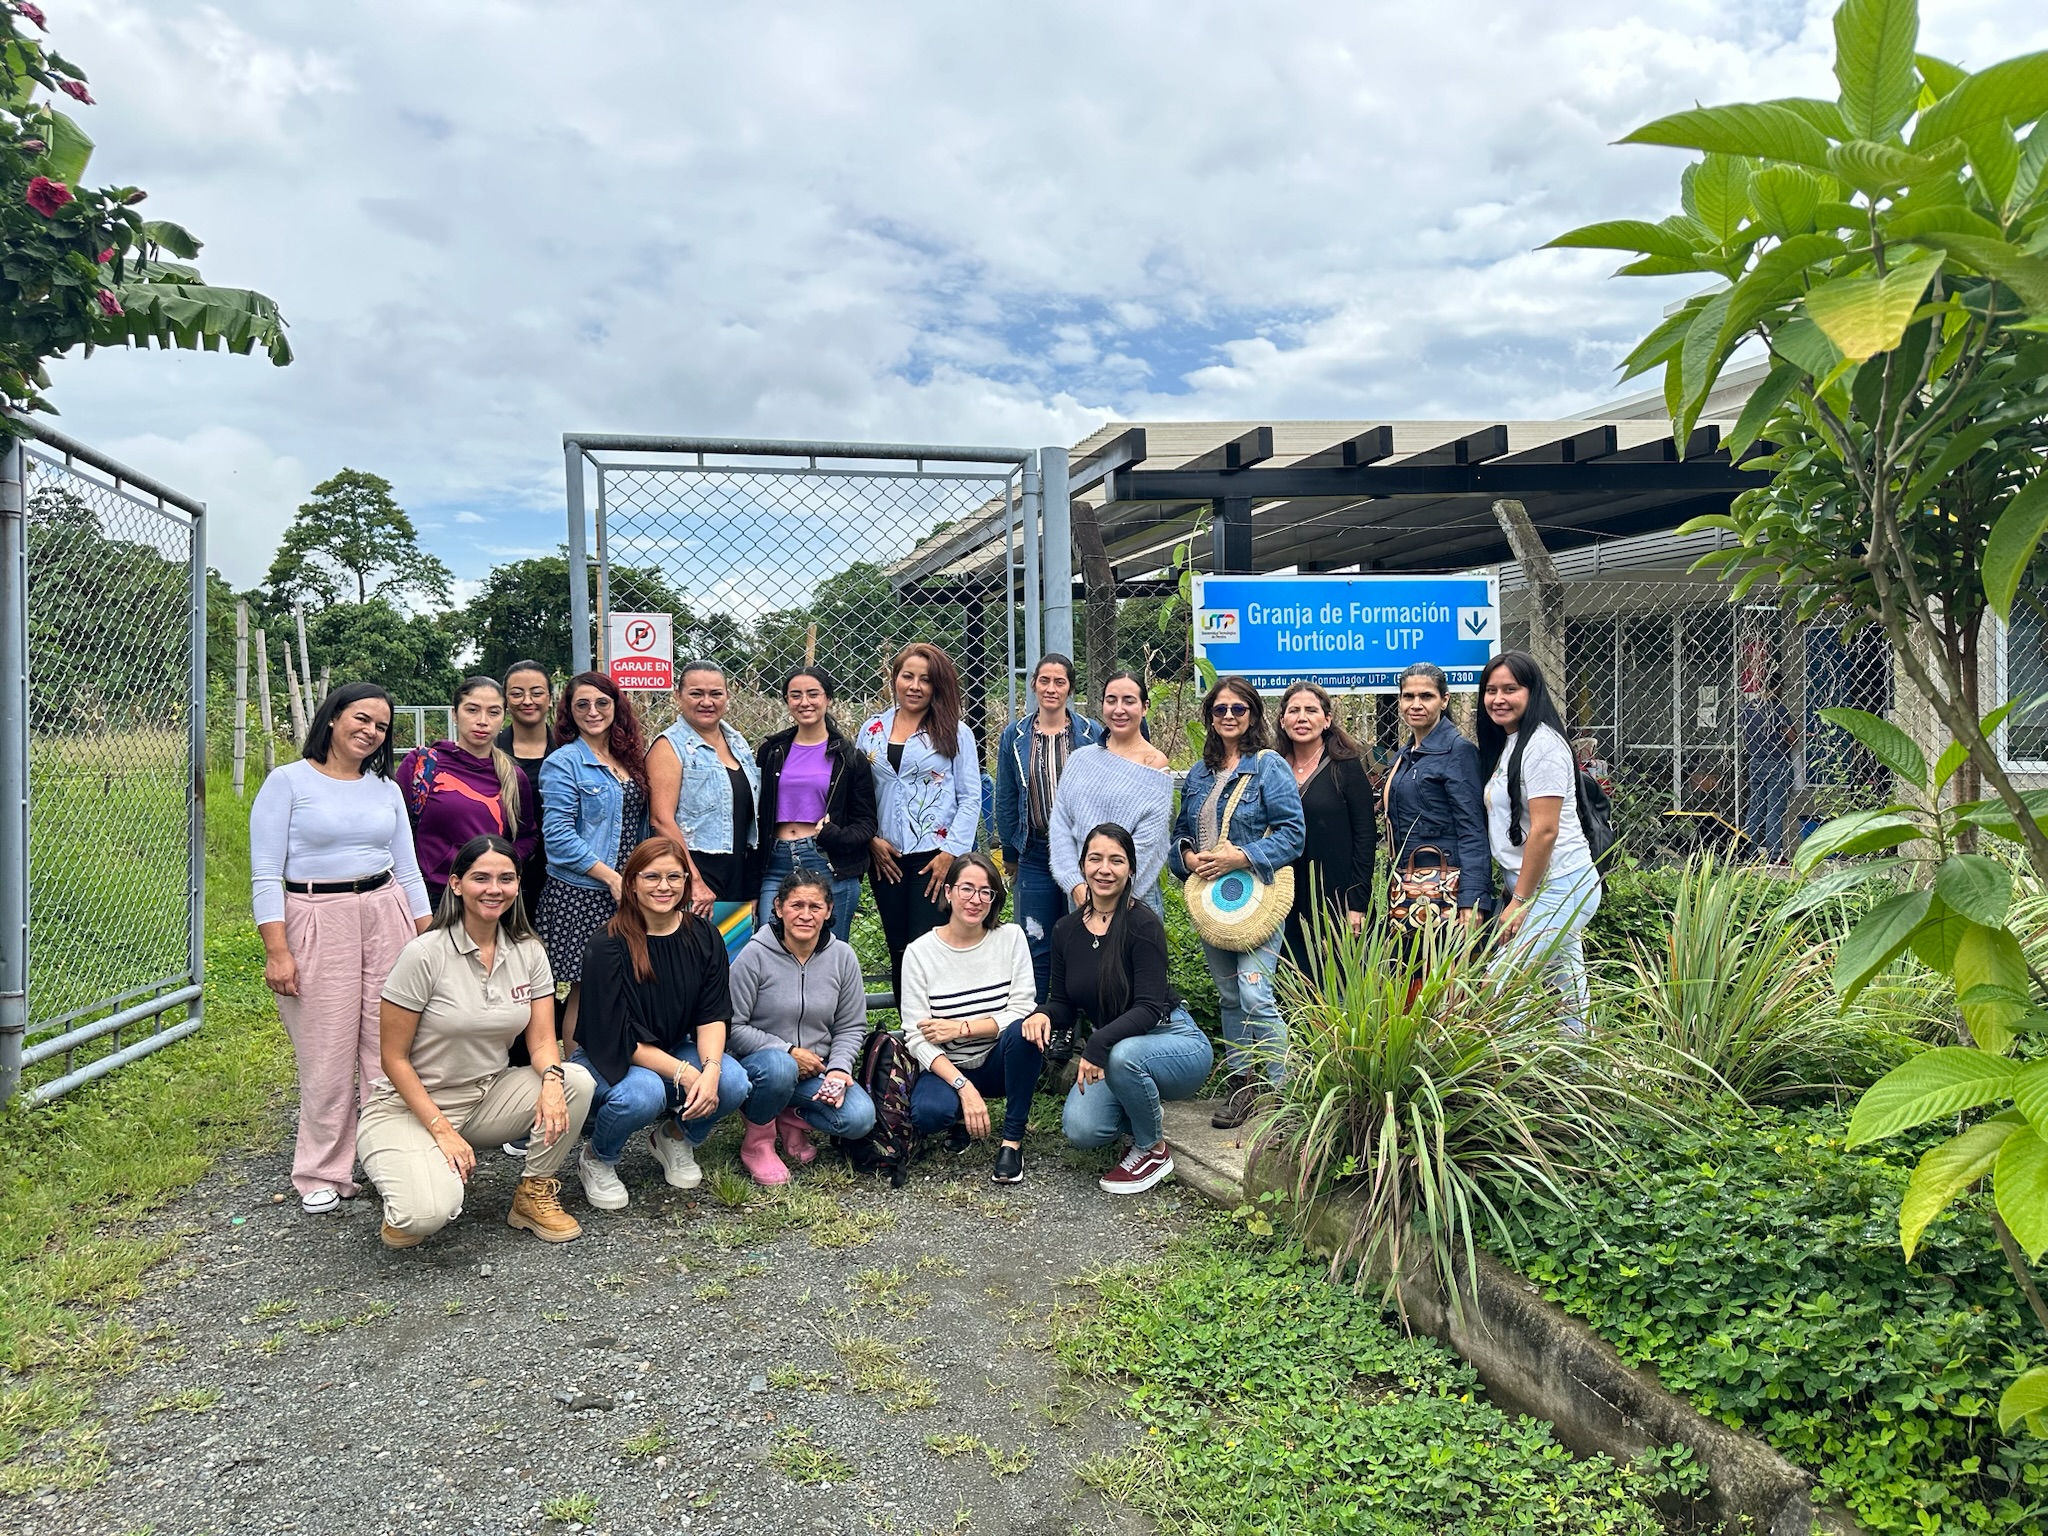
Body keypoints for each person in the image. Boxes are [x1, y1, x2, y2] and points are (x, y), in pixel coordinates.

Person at [251, 683, 436, 1214]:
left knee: (388, 1047)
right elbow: (265, 874)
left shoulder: (385, 789)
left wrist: (426, 938)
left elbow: (407, 868)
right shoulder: (288, 782)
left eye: (381, 726)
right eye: (361, 718)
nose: (370, 731)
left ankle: (387, 1158)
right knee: (326, 1050)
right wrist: (277, 950)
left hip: (385, 910)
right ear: (332, 718)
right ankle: (321, 1170)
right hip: (315, 917)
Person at [358, 835, 594, 1248]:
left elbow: (541, 1043)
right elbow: (392, 1059)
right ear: (455, 884)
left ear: (518, 885)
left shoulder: (529, 951)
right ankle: (412, 1179)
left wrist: (553, 1085)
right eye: (480, 878)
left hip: (486, 1097)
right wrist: (441, 1129)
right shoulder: (424, 954)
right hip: (410, 1107)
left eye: (506, 878)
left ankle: (532, 1193)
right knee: (421, 1218)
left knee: (576, 1081)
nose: (493, 889)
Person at [1025, 824, 1213, 1194]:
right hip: (1118, 1049)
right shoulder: (1066, 930)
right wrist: (1043, 1014)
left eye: (1116, 860)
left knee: (1123, 1055)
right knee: (1082, 1129)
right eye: (1095, 859)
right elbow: (1064, 1003)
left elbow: (1147, 1007)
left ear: (1130, 868)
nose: (1104, 869)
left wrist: (1097, 1046)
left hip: (1172, 1039)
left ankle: (1152, 1149)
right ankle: (1141, 1108)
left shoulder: (1143, 924)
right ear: (1082, 866)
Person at [566, 837, 750, 1208]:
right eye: (651, 877)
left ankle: (674, 1136)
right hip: (608, 1054)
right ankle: (598, 1157)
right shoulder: (607, 944)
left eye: (673, 876)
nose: (663, 886)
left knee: (733, 1081)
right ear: (631, 882)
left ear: (686, 881)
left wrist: (710, 1070)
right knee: (644, 1093)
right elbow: (621, 1038)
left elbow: (713, 1013)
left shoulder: (704, 934)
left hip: (671, 1045)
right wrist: (686, 1073)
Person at [1168, 676, 1305, 1130]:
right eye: (1220, 709)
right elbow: (1180, 835)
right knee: (1230, 995)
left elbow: (1293, 833)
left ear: (1253, 715)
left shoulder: (1268, 766)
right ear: (1209, 716)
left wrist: (1242, 855)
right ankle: (1242, 1086)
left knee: (1255, 993)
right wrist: (1186, 856)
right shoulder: (1198, 773)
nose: (1228, 716)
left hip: (1257, 899)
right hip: (1213, 902)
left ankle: (1288, 1095)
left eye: (1238, 709)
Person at [897, 853, 1042, 1184]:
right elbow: (916, 1036)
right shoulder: (920, 953)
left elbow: (1022, 1008)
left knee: (1025, 1032)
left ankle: (1011, 1142)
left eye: (985, 892)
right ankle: (960, 1116)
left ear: (994, 899)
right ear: (948, 892)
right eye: (966, 889)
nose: (975, 900)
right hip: (949, 1065)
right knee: (929, 1113)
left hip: (997, 1060)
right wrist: (963, 1087)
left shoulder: (1011, 938)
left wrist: (962, 1027)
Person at [1477, 651, 1602, 1033]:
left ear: (1533, 693)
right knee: (1569, 991)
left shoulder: (1543, 746)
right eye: (1491, 690)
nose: (1498, 698)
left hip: (1560, 886)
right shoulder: (1513, 741)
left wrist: (1518, 901)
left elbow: (1545, 831)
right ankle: (1581, 1067)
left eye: (1510, 689)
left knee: (1500, 985)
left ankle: (1505, 1073)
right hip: (1537, 887)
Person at [727, 869, 877, 1184]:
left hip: (817, 1070)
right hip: (763, 1069)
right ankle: (758, 1141)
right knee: (780, 1067)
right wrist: (789, 1051)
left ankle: (788, 1117)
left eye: (815, 907)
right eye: (796, 906)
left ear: (829, 911)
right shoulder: (754, 954)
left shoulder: (842, 957)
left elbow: (851, 1025)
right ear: (779, 907)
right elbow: (732, 1026)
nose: (805, 915)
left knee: (859, 1118)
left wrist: (838, 1069)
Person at [859, 643, 982, 1003]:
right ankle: (911, 1041)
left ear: (936, 686)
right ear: (894, 678)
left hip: (934, 858)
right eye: (907, 676)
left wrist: (951, 853)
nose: (914, 686)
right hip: (885, 858)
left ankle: (944, 1036)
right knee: (899, 948)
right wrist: (870, 840)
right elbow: (858, 793)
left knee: (931, 946)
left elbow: (970, 797)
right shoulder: (872, 729)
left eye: (925, 680)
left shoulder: (955, 732)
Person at [536, 672, 651, 1052]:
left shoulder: (626, 759)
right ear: (568, 711)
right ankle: (578, 1078)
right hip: (583, 891)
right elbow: (558, 839)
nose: (593, 711)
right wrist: (612, 879)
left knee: (620, 984)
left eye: (602, 702)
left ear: (616, 707)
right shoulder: (564, 763)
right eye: (582, 704)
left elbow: (637, 826)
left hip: (623, 891)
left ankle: (613, 1067)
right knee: (586, 988)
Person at [994, 653, 1104, 995]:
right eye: (1045, 681)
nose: (1051, 688)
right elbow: (1006, 796)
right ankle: (1041, 1020)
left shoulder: (1090, 733)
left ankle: (1075, 1023)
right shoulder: (1016, 736)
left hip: (1082, 855)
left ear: (1070, 688)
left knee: (1083, 939)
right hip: (1036, 853)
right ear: (1034, 685)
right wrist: (1011, 852)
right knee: (1035, 940)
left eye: (1060, 682)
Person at [754, 666, 877, 943]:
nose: (804, 702)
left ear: (828, 698)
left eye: (813, 694)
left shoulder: (849, 757)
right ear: (786, 701)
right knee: (770, 946)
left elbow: (867, 822)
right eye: (795, 695)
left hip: (824, 860)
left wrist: (836, 836)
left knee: (828, 953)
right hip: (776, 861)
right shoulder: (772, 751)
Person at [649, 660, 760, 956]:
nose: (707, 702)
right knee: (692, 962)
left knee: (730, 961)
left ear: (727, 696)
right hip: (697, 872)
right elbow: (661, 819)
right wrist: (693, 881)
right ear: (678, 695)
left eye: (716, 694)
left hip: (735, 871)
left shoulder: (737, 743)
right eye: (696, 693)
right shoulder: (668, 746)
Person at [399, 677, 537, 908]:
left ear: (503, 718)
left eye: (493, 712)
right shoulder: (422, 764)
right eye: (472, 710)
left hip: (489, 898)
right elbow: (395, 831)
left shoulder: (513, 777)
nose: (482, 721)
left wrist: (500, 867)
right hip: (431, 896)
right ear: (455, 713)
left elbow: (527, 836)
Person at [1049, 671, 1173, 919]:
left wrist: (1110, 895)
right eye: (1111, 700)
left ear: (1145, 707)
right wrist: (1076, 884)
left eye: (1129, 701)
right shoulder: (1080, 760)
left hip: (1134, 897)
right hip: (1082, 892)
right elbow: (1061, 824)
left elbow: (1147, 842)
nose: (1119, 709)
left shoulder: (1154, 765)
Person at [1274, 680, 1378, 974]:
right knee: (1291, 984)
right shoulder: (1272, 766)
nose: (1302, 718)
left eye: (1311, 710)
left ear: (1327, 719)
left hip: (1334, 898)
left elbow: (1366, 836)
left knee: (1335, 983)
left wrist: (1356, 902)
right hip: (1283, 899)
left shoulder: (1345, 766)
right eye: (1294, 711)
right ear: (1282, 721)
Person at [1383, 662, 1493, 928]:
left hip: (1447, 885)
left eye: (1426, 696)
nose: (1416, 704)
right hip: (1408, 883)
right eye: (1408, 696)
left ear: (1444, 700)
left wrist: (1472, 898)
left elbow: (1472, 828)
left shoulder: (1458, 751)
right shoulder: (1404, 756)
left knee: (1448, 968)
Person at [497, 661, 556, 914]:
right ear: (506, 700)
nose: (527, 700)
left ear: (550, 699)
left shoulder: (570, 752)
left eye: (536, 692)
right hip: (504, 872)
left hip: (559, 873)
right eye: (517, 693)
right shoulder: (491, 752)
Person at [1740, 671, 1798, 861]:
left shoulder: (1747, 708)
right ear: (1777, 687)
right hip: (1777, 762)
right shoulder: (1778, 709)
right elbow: (1792, 737)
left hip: (1755, 761)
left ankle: (1748, 852)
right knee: (1775, 809)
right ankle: (1774, 854)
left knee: (1755, 807)